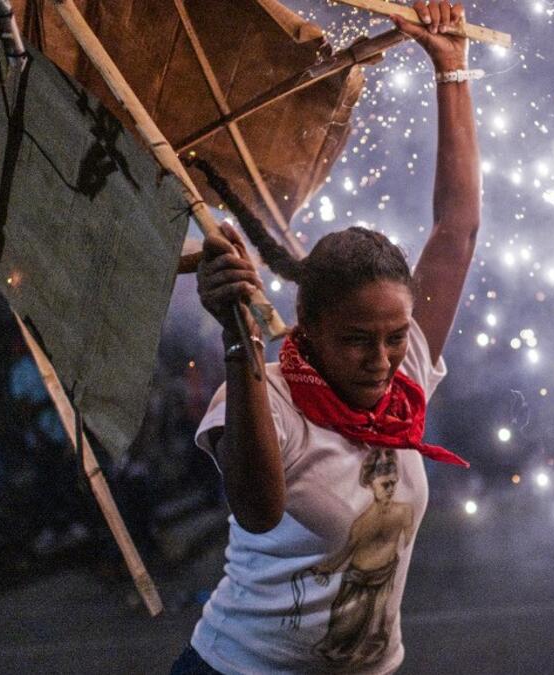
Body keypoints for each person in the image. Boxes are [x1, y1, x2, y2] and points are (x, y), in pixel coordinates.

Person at [170, 2, 480, 672]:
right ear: (307, 329)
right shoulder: (265, 393)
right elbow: (257, 510)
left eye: (395, 335)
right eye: (357, 340)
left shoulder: (406, 375)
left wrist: (452, 70)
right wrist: (237, 332)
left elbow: (455, 231)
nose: (382, 359)